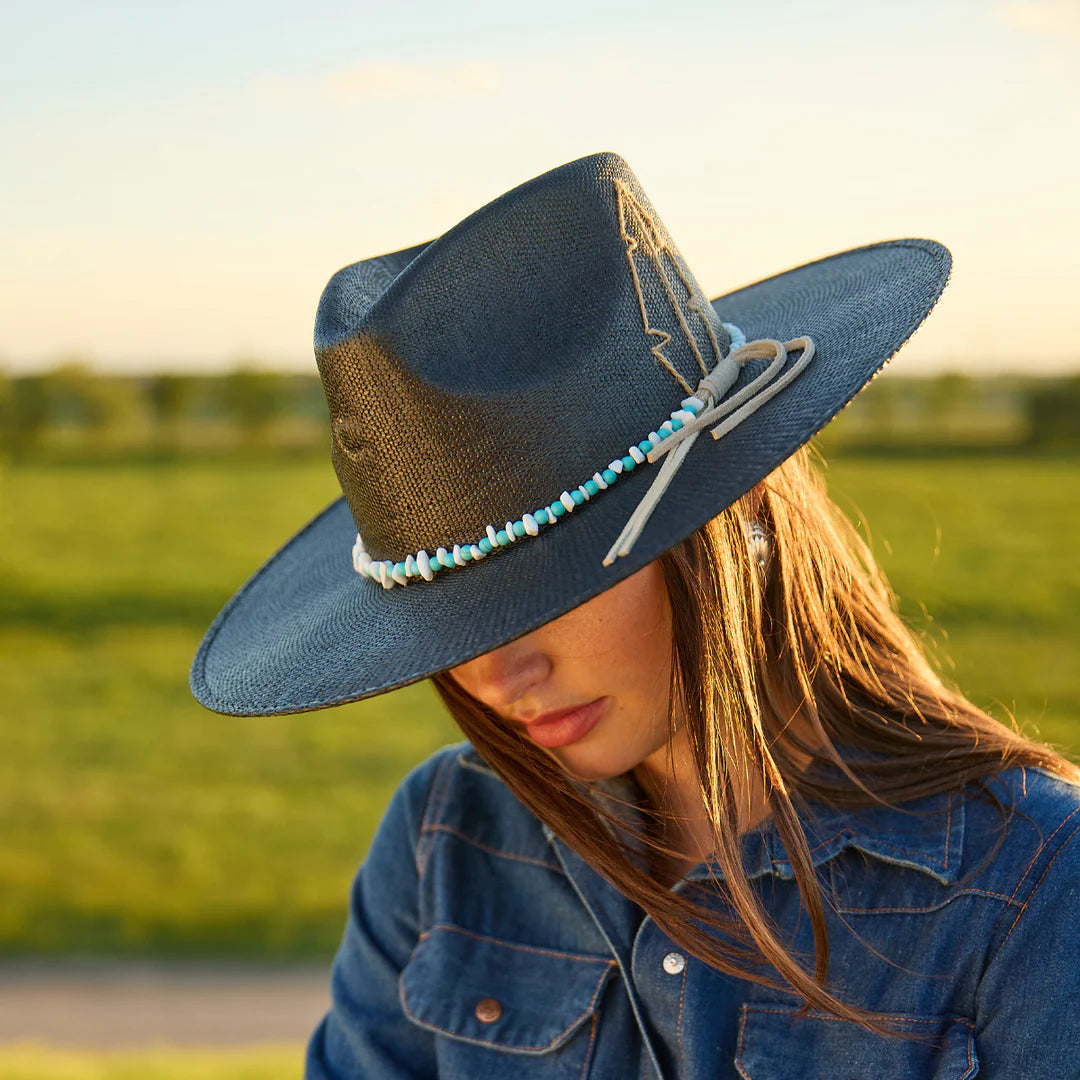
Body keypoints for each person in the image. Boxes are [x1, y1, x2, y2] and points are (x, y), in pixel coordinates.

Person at [191, 152, 1080, 1078]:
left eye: (556, 590)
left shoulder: (1032, 887)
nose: (497, 678)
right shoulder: (444, 841)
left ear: (728, 514)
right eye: (453, 623)